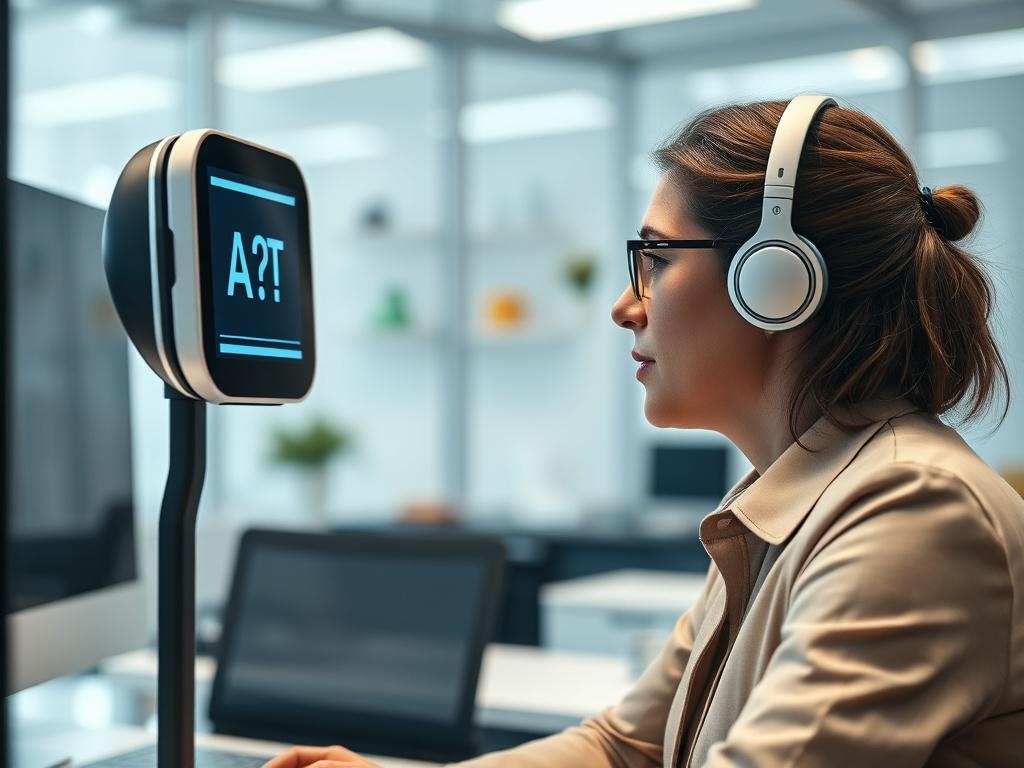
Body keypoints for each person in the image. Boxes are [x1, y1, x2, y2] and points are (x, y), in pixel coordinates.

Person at [263, 97, 1024, 767]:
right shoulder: (790, 499)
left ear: (775, 280)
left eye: (655, 260)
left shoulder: (912, 509)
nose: (627, 307)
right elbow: (625, 746)